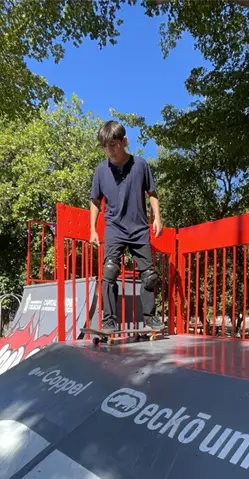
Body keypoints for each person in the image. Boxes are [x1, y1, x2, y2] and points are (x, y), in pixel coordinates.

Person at [89, 120, 164, 333]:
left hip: (139, 228)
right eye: (105, 146)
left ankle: (150, 318)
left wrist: (157, 217)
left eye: (113, 145)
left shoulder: (140, 165)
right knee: (110, 271)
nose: (109, 151)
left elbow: (152, 193)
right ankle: (109, 321)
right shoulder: (101, 171)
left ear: (124, 142)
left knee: (149, 275)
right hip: (114, 227)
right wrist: (93, 229)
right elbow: (95, 201)